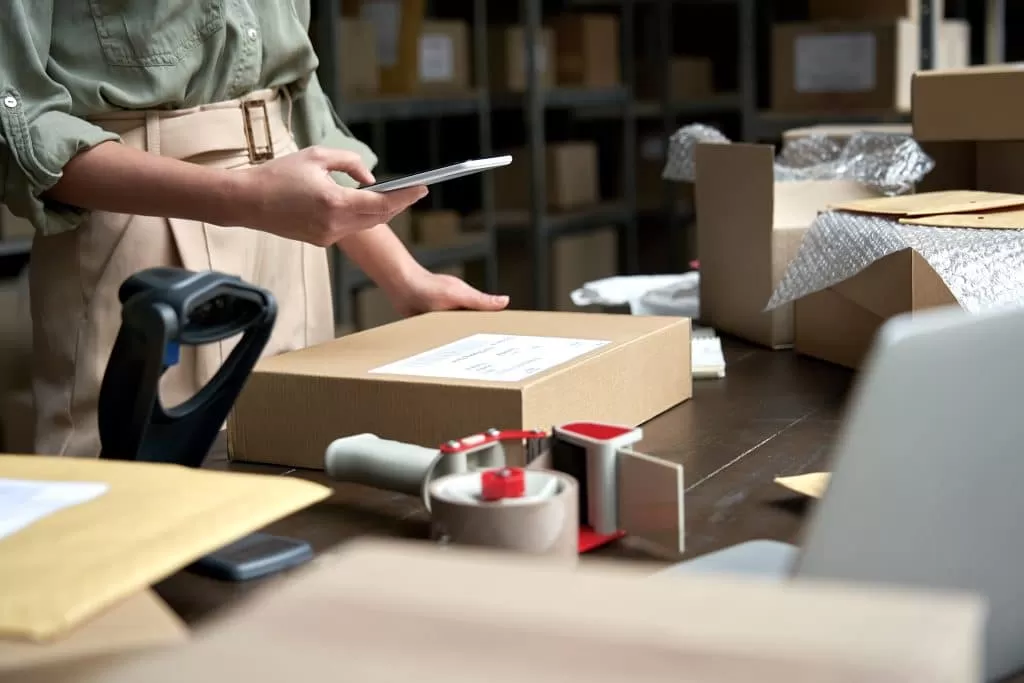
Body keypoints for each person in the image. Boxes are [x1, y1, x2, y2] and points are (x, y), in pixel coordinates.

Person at [1, 1, 510, 458]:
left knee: (299, 465)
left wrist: (407, 279)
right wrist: (249, 198)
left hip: (287, 238)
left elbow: (299, 104)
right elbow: (23, 128)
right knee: (142, 499)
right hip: (148, 227)